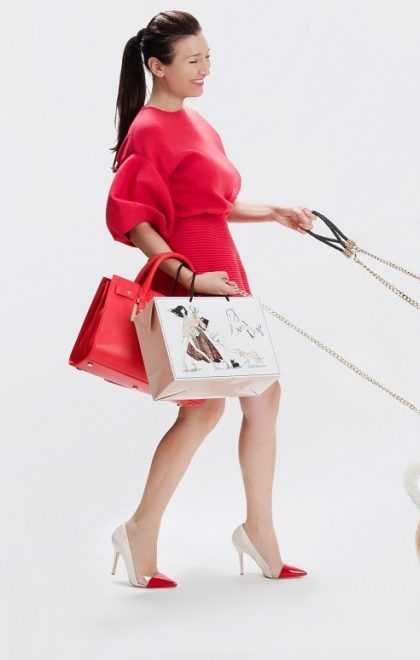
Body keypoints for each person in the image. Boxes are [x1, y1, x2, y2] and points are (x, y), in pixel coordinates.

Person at [106, 10, 312, 588]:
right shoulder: (148, 129)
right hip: (192, 277)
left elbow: (212, 204)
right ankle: (144, 529)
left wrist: (274, 212)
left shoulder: (196, 123)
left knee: (256, 396)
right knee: (207, 406)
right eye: (193, 60)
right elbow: (138, 224)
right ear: (157, 66)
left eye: (208, 58)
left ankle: (255, 528)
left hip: (224, 271)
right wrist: (193, 280)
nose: (205, 70)